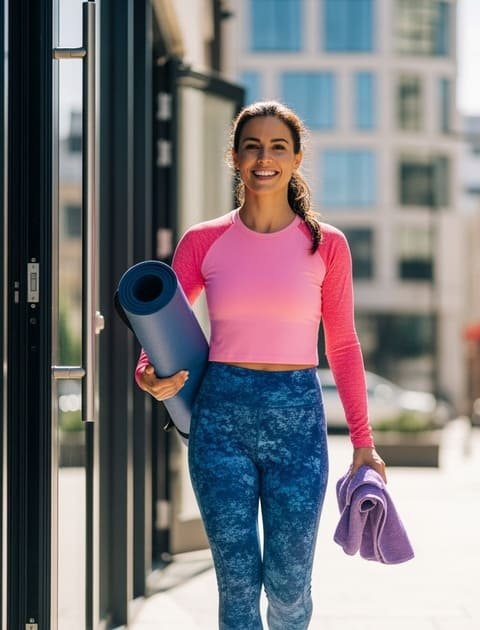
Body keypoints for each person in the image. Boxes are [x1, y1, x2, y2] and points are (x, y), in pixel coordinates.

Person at [134, 100, 386, 629]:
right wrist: (146, 369)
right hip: (220, 420)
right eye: (252, 147)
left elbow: (342, 346)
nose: (263, 158)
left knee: (290, 588)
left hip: (298, 421)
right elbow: (164, 318)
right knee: (238, 587)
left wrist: (363, 442)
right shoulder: (202, 242)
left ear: (296, 159)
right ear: (234, 157)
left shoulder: (327, 246)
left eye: (277, 147)